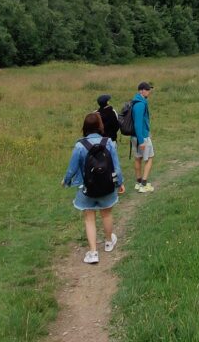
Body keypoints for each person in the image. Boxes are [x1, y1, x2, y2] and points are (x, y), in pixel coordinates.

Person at [63, 112, 125, 264]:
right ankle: (109, 242)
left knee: (89, 219)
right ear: (100, 126)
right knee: (107, 214)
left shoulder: (79, 146)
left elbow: (72, 168)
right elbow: (116, 167)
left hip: (87, 188)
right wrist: (120, 183)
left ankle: (93, 252)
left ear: (85, 127)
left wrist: (66, 181)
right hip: (107, 186)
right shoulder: (109, 142)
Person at [130, 81, 155, 193]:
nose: (149, 91)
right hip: (141, 137)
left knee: (138, 158)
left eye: (149, 89)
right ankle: (143, 185)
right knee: (149, 158)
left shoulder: (136, 101)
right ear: (141, 91)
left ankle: (138, 182)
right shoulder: (140, 104)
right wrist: (142, 141)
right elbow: (137, 123)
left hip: (135, 136)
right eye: (147, 89)